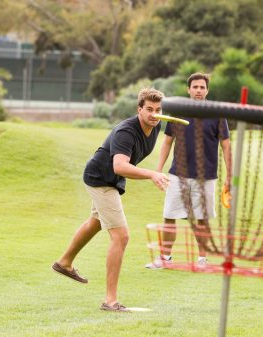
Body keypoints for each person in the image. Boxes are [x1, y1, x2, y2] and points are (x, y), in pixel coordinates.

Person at [52, 88, 169, 312]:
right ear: (139, 109)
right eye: (149, 110)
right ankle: (110, 301)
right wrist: (152, 174)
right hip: (101, 178)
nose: (154, 114)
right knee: (121, 236)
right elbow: (120, 166)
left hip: (111, 179)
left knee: (95, 222)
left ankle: (64, 263)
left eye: (158, 110)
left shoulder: (156, 126)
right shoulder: (126, 131)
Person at [146, 72, 232, 269]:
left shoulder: (217, 114)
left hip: (206, 177)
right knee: (169, 215)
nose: (199, 90)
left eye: (202, 87)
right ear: (189, 89)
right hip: (178, 175)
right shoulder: (178, 111)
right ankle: (165, 258)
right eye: (195, 87)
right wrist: (158, 170)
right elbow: (167, 142)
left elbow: (226, 146)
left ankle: (203, 260)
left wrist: (229, 176)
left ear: (207, 90)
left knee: (202, 220)